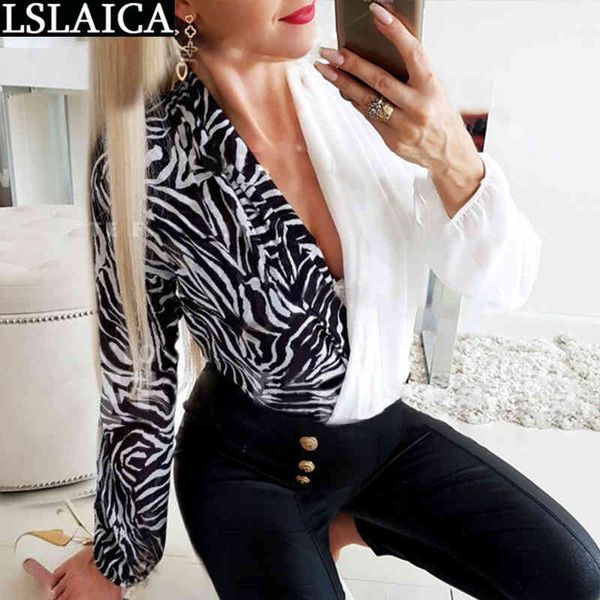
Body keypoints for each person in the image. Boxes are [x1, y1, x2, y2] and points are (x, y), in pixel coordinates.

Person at [36, 1, 600, 599]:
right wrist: (118, 558)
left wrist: (450, 155)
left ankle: (348, 520)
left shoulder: (363, 99)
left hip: (383, 442)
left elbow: (504, 286)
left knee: (579, 582)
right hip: (249, 470)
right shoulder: (149, 157)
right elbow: (138, 378)